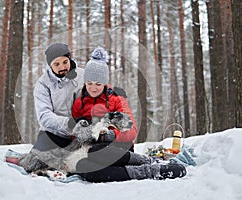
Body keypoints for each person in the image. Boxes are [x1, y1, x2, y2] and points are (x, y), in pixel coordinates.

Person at [71, 47, 187, 182]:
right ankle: (144, 172)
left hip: (118, 148)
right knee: (88, 171)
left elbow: (132, 131)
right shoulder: (79, 103)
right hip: (92, 151)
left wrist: (112, 134)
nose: (93, 88)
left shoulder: (117, 99)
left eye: (98, 83)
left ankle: (149, 163)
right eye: (89, 83)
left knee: (96, 151)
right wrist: (83, 134)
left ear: (105, 83)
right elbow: (74, 135)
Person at [17, 42, 84, 172]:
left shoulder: (83, 75)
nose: (62, 67)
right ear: (50, 65)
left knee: (87, 164)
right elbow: (44, 116)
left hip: (80, 134)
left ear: (70, 58)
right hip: (53, 133)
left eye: (65, 62)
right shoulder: (43, 84)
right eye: (56, 64)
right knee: (33, 165)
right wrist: (69, 123)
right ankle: (27, 157)